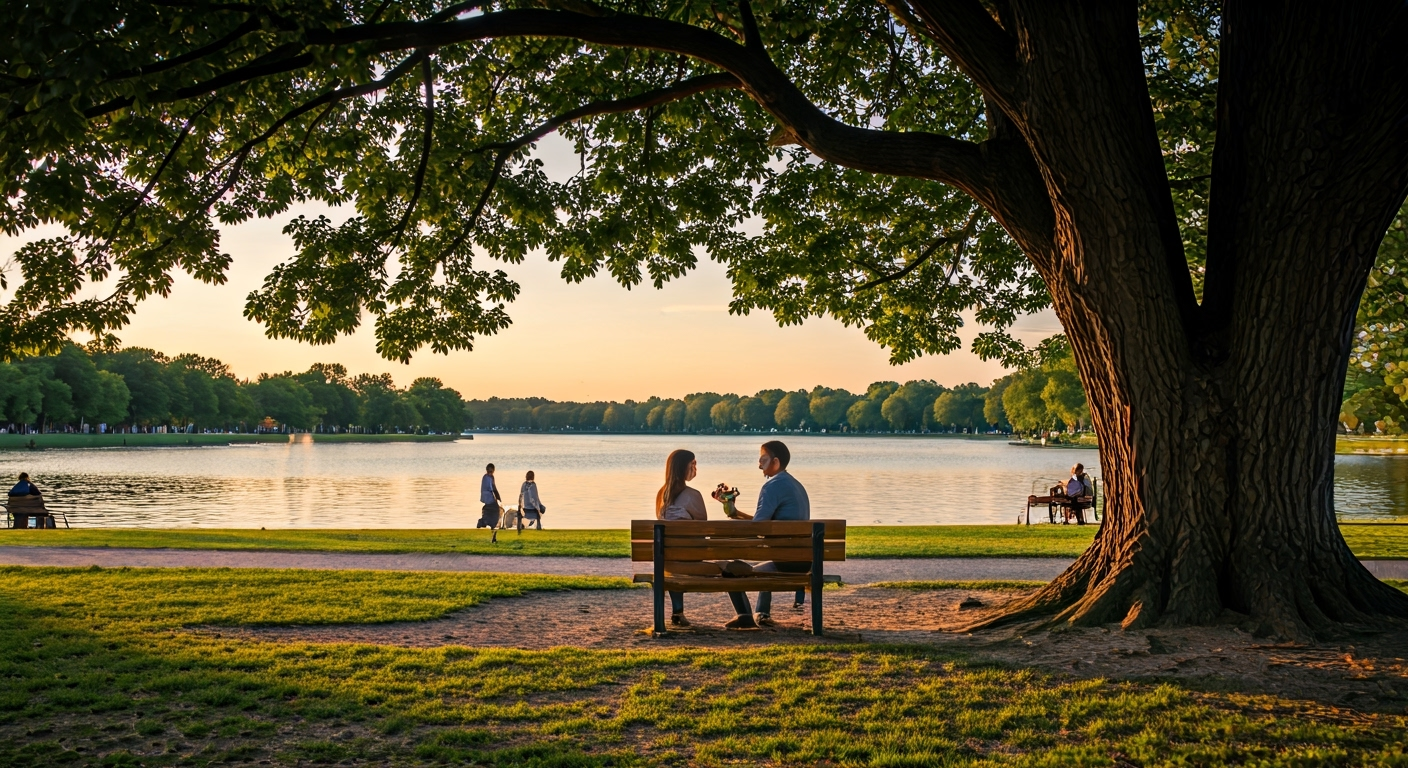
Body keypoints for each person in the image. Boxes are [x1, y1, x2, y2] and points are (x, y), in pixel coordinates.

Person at [726, 440, 811, 628]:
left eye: (763, 460)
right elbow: (767, 523)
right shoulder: (796, 485)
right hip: (804, 561)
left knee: (729, 570)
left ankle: (744, 616)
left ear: (776, 462)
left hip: (784, 562)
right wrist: (737, 514)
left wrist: (735, 528)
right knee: (767, 561)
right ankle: (762, 613)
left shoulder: (771, 486)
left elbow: (758, 528)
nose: (759, 465)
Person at [654, 449, 710, 627]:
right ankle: (744, 614)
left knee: (674, 558)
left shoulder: (661, 495)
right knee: (732, 566)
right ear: (682, 467)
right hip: (692, 559)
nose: (696, 468)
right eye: (693, 464)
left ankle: (678, 611)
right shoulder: (693, 495)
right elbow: (703, 528)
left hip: (667, 560)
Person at [476, 463, 501, 529]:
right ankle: (485, 522)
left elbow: (493, 487)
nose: (490, 473)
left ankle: (487, 523)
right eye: (489, 471)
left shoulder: (487, 477)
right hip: (488, 497)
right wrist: (497, 497)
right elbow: (493, 488)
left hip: (487, 497)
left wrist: (497, 497)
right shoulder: (488, 477)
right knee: (495, 509)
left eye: (491, 471)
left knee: (490, 510)